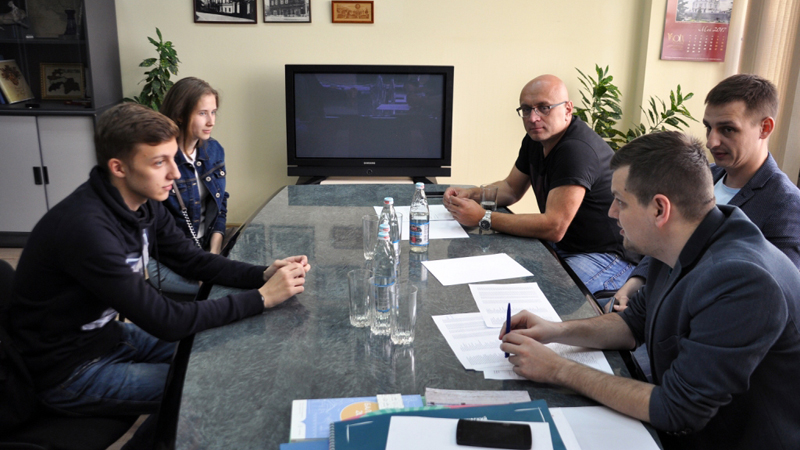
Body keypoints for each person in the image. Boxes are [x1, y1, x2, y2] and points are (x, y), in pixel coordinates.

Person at [8, 103, 310, 419]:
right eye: (158, 162)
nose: (175, 174)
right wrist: (262, 298)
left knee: (231, 355)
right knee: (215, 384)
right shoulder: (86, 230)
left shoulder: (143, 201)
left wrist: (261, 275)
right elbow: (167, 320)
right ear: (118, 167)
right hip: (67, 371)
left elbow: (193, 261)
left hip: (108, 338)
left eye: (173, 158)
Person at [500, 131, 800, 449]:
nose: (611, 212)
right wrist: (554, 331)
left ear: (659, 209)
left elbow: (677, 409)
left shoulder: (742, 280)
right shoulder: (679, 239)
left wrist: (558, 368)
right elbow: (632, 323)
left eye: (621, 202)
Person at [611, 74, 800, 312]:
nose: (711, 142)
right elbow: (665, 236)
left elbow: (775, 299)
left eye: (728, 129)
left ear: (765, 128)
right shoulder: (702, 175)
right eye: (708, 127)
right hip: (655, 305)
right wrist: (635, 282)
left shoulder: (786, 204)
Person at [444, 74, 636, 295]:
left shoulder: (576, 150)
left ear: (568, 109)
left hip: (605, 255)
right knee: (493, 273)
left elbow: (554, 226)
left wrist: (483, 218)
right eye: (526, 109)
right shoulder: (535, 140)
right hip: (565, 246)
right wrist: (471, 194)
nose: (533, 118)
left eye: (544, 108)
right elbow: (511, 188)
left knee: (545, 297)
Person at [147, 77, 228, 295]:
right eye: (202, 113)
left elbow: (221, 203)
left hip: (205, 252)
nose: (211, 121)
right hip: (169, 262)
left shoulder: (214, 150)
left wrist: (214, 252)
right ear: (180, 115)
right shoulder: (162, 160)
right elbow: (161, 233)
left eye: (213, 112)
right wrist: (204, 268)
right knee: (222, 292)